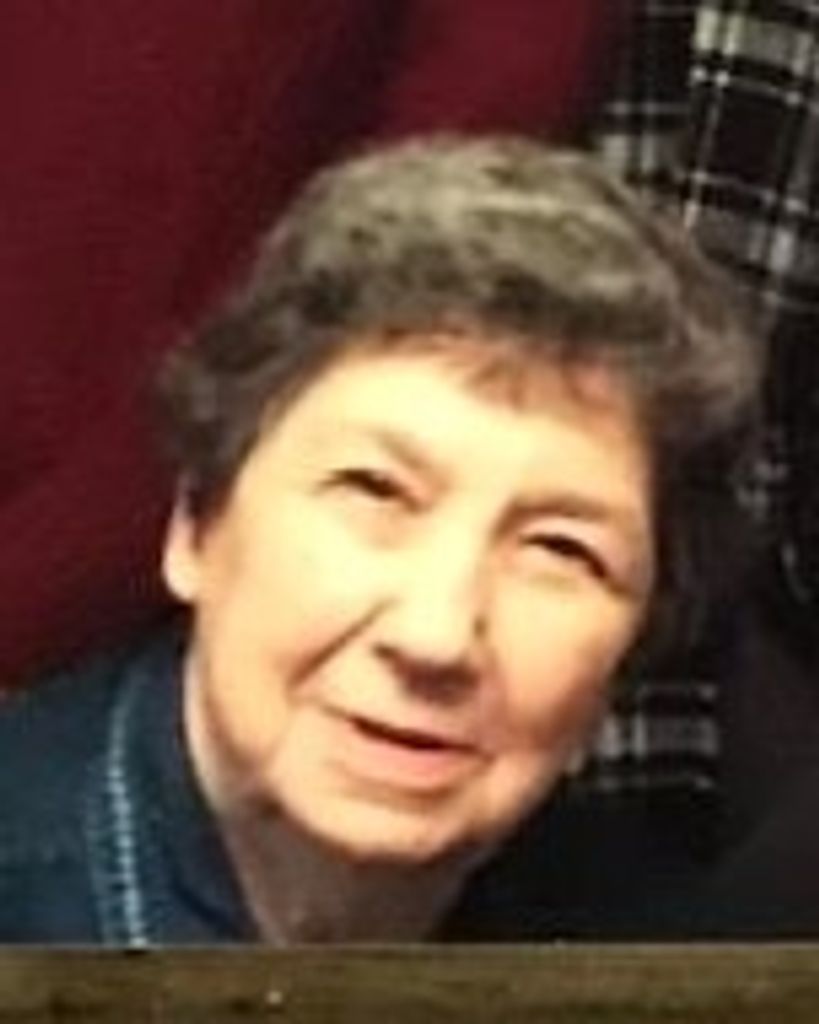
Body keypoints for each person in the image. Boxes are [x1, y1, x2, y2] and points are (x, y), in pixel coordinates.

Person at [0, 134, 759, 944]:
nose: (435, 636)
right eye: (375, 491)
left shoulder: (668, 950)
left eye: (559, 550)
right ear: (196, 524)